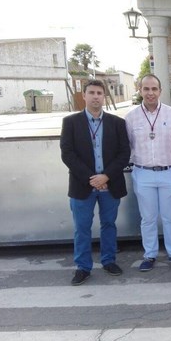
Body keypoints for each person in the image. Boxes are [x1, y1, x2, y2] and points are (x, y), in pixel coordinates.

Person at [60, 79, 130, 285]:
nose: (96, 96)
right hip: (83, 185)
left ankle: (109, 261)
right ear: (84, 95)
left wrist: (105, 176)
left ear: (104, 96)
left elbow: (124, 153)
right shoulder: (71, 122)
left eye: (99, 93)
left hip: (110, 184)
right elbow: (67, 154)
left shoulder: (117, 123)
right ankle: (83, 267)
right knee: (82, 227)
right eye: (91, 92)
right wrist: (92, 179)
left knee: (109, 224)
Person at [126, 74, 171, 271]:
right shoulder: (131, 117)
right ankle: (150, 254)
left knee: (170, 216)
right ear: (140, 91)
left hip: (168, 171)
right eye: (146, 89)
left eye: (154, 89)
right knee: (148, 217)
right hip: (143, 172)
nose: (150, 93)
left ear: (160, 91)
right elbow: (129, 144)